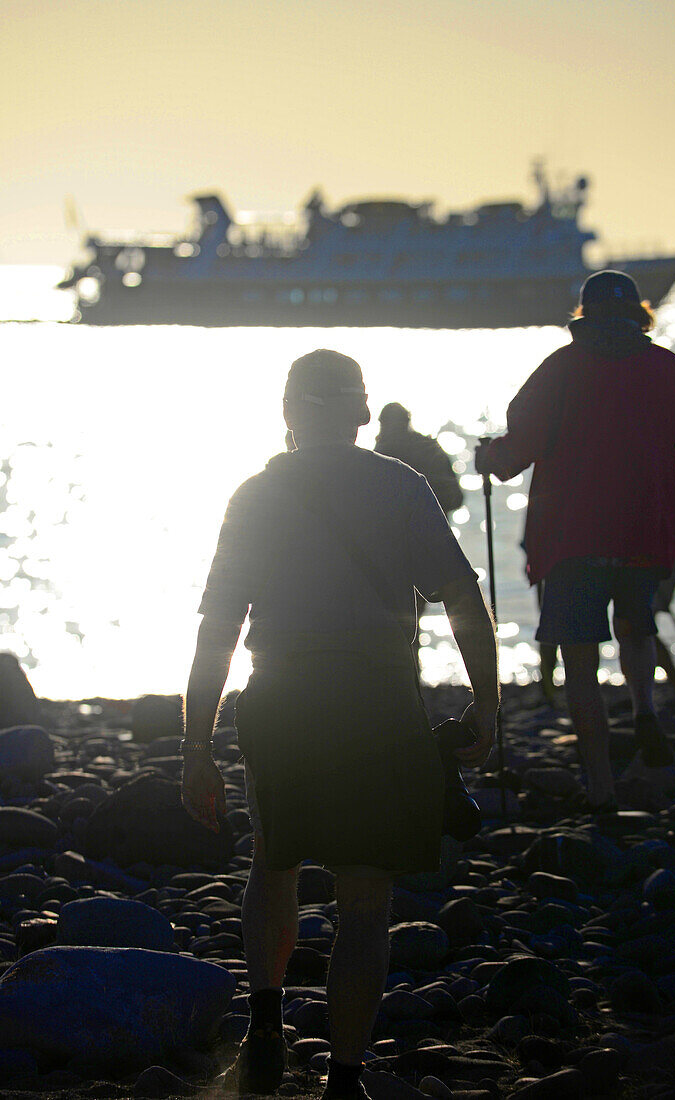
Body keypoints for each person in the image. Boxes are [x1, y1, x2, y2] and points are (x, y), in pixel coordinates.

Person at [181, 350, 499, 1100]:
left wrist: (194, 746)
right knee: (364, 901)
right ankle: (345, 1080)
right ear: (362, 412)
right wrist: (487, 705)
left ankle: (265, 1027)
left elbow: (218, 628)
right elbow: (461, 601)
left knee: (274, 860)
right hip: (377, 704)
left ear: (288, 412)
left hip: (282, 700)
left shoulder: (255, 494)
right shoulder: (401, 486)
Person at [476, 270, 675, 811]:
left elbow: (520, 446)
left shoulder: (561, 368)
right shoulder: (667, 368)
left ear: (582, 318)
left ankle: (602, 786)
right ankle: (644, 710)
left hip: (570, 539)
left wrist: (488, 458)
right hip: (643, 534)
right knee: (636, 630)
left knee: (580, 661)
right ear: (639, 313)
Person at [375, 403, 464, 660]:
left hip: (393, 553)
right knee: (410, 622)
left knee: (401, 623)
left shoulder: (380, 455)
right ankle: (412, 678)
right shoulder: (428, 449)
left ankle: (408, 677)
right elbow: (455, 498)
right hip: (427, 549)